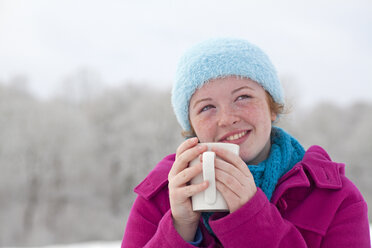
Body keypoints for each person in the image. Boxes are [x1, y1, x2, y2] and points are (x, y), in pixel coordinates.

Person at [121, 38, 370, 247]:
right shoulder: (161, 197)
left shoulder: (335, 198)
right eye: (207, 107)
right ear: (191, 127)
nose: (227, 119)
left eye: (243, 97)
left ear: (272, 107)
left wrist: (251, 218)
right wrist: (180, 227)